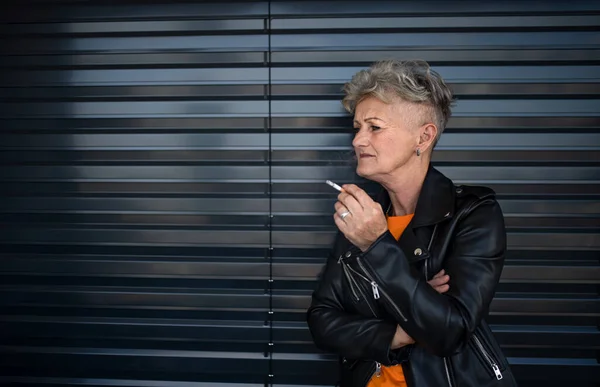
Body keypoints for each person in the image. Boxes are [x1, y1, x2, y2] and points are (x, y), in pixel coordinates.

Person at [306, 59, 518, 386]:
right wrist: (400, 332)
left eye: (374, 127)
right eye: (357, 128)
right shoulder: (366, 212)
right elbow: (322, 321)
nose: (358, 141)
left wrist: (376, 245)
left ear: (424, 137)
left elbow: (448, 333)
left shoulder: (473, 213)